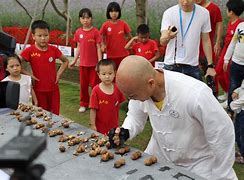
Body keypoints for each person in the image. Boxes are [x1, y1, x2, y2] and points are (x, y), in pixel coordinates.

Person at [110, 55, 237, 179]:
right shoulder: (141, 87)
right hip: (160, 158)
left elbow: (222, 133)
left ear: (151, 83)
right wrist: (126, 131)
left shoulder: (194, 94)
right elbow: (135, 116)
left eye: (132, 95)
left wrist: (221, 173)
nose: (130, 99)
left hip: (198, 164)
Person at [20, 20, 69, 115]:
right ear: (33, 36)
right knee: (41, 116)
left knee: (55, 116)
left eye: (46, 35)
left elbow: (66, 61)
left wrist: (58, 74)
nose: (43, 38)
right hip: (38, 91)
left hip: (54, 90)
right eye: (40, 36)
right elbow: (14, 63)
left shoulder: (53, 50)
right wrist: (29, 75)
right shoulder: (29, 51)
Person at [160, 0, 216, 81]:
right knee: (170, 93)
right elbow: (162, 41)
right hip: (172, 65)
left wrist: (210, 65)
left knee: (194, 93)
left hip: (192, 65)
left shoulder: (204, 13)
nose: (185, 2)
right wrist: (168, 37)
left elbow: (206, 40)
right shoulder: (169, 13)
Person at [69, 8, 102, 113]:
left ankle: (96, 103)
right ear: (80, 19)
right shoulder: (78, 32)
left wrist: (100, 63)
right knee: (83, 86)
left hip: (94, 65)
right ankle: (83, 104)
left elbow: (98, 48)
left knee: (95, 86)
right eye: (83, 18)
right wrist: (74, 60)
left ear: (91, 19)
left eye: (88, 18)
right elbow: (78, 47)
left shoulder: (95, 32)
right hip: (83, 64)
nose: (86, 20)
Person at [216, 0, 244, 107]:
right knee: (219, 71)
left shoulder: (239, 24)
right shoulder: (230, 22)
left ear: (231, 11)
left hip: (233, 53)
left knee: (227, 74)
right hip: (226, 50)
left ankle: (230, 97)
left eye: (227, 9)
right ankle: (227, 92)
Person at [89, 59, 125, 134]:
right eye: (104, 74)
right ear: (99, 75)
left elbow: (120, 103)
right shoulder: (96, 91)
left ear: (115, 73)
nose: (107, 76)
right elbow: (93, 109)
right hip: (100, 127)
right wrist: (92, 125)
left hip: (114, 126)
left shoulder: (117, 88)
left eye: (110, 73)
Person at [100, 1, 132, 69]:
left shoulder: (123, 24)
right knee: (112, 73)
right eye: (111, 11)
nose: (114, 13)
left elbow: (130, 36)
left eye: (116, 11)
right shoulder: (105, 25)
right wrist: (102, 45)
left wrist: (132, 46)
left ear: (119, 12)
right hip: (111, 55)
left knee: (123, 74)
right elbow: (101, 36)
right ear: (108, 13)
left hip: (124, 54)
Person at [195, 0, 223, 73]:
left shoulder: (214, 8)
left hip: (207, 45)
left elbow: (219, 25)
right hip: (194, 46)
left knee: (209, 70)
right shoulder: (191, 8)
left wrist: (217, 42)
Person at [224, 20, 244, 118]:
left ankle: (240, 111)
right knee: (233, 86)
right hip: (236, 63)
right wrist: (226, 59)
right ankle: (230, 111)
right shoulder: (240, 26)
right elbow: (233, 43)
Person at [230, 79, 244, 164]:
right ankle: (240, 151)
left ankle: (243, 155)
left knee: (243, 134)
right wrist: (236, 91)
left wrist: (232, 105)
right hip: (240, 111)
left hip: (241, 109)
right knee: (238, 132)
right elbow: (242, 88)